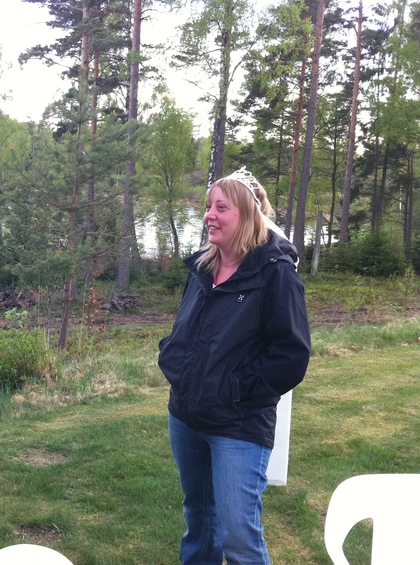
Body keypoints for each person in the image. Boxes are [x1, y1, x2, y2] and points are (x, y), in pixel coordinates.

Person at [157, 167, 311, 565]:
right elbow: (186, 328)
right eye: (208, 206)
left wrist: (234, 390)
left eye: (220, 207)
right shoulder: (203, 268)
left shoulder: (275, 272)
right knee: (199, 518)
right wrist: (172, 357)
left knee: (239, 535)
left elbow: (291, 356)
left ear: (246, 214)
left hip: (238, 423)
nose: (208, 215)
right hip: (186, 414)